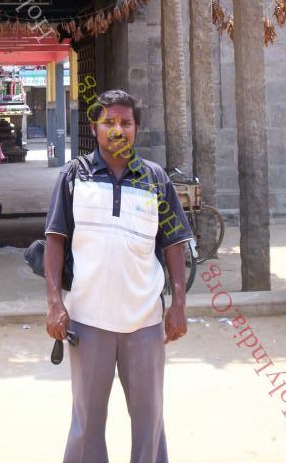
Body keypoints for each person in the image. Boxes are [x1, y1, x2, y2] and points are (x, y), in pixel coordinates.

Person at [45, 89, 193, 463]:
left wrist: (178, 303)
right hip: (88, 320)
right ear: (94, 127)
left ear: (136, 129)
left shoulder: (156, 180)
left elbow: (174, 243)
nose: (117, 129)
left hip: (143, 322)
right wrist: (54, 303)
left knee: (150, 420)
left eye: (125, 122)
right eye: (108, 121)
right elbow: (54, 240)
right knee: (87, 424)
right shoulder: (73, 176)